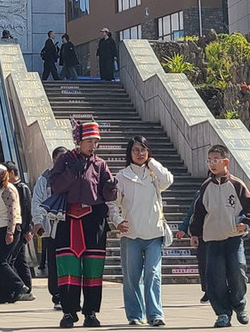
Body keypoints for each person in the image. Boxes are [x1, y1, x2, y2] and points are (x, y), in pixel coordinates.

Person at [49, 121, 118, 328]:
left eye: (96, 142)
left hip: (93, 220)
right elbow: (56, 185)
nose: (92, 146)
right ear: (78, 141)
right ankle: (69, 312)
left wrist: (111, 188)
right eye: (89, 141)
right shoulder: (65, 160)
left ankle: (91, 312)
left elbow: (107, 195)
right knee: (68, 267)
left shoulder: (100, 164)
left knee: (93, 268)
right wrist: (72, 172)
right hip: (68, 219)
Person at [187, 144, 250, 328]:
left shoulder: (237, 185)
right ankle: (222, 313)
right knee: (215, 278)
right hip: (212, 240)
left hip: (233, 238)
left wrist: (246, 223)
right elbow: (199, 213)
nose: (212, 164)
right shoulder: (205, 187)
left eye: (216, 160)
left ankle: (239, 305)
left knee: (237, 271)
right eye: (209, 160)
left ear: (226, 162)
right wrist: (195, 233)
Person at [111, 136, 175, 326]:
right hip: (131, 233)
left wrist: (152, 163)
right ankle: (135, 315)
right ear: (129, 153)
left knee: (153, 274)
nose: (140, 153)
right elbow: (112, 203)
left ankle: (155, 314)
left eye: (143, 149)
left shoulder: (154, 174)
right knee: (132, 277)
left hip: (154, 232)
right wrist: (118, 220)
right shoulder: (122, 176)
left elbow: (168, 180)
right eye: (136, 150)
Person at [33, 146, 69, 309]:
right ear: (54, 160)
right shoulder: (45, 179)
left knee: (70, 262)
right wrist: (38, 221)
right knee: (54, 263)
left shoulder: (73, 175)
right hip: (52, 227)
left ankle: (70, 293)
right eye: (60, 158)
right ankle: (57, 295)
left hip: (70, 224)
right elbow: (37, 201)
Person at [0, 162, 25, 304]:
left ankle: (18, 285)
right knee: (2, 262)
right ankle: (4, 294)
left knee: (0, 261)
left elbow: (12, 212)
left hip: (7, 229)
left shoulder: (8, 190)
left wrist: (10, 232)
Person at [5, 161, 35, 300]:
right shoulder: (10, 188)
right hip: (16, 228)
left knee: (18, 260)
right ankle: (21, 289)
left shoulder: (22, 188)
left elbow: (27, 210)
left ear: (12, 173)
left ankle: (25, 289)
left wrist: (28, 229)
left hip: (21, 229)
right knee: (18, 259)